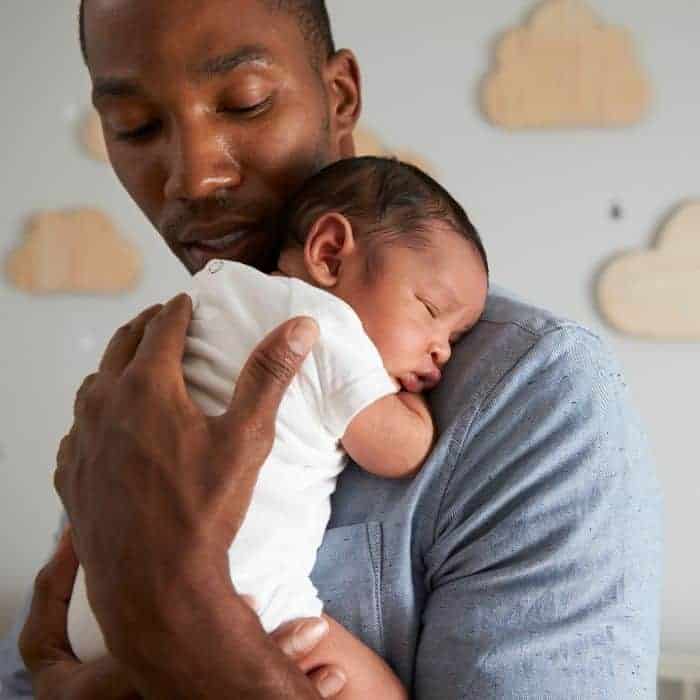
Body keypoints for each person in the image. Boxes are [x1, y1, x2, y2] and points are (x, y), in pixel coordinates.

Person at [0, 0, 662, 698]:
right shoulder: (153, 372)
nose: (193, 178)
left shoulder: (535, 397)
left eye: (246, 103)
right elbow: (38, 664)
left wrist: (197, 631)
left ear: (338, 96)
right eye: (135, 126)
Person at [66, 156, 489, 700]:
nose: (441, 349)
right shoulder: (328, 328)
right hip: (242, 604)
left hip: (96, 611)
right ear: (330, 252)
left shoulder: (210, 293)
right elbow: (399, 451)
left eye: (456, 337)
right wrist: (414, 400)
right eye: (431, 310)